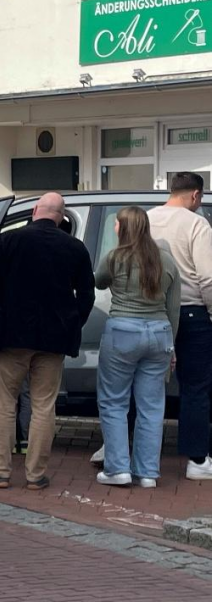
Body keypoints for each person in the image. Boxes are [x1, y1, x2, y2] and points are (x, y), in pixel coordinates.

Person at [0, 192, 95, 491]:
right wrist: (71, 323)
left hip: (11, 336)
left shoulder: (8, 241)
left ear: (36, 210)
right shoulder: (75, 247)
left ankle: (0, 471)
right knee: (44, 405)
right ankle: (36, 475)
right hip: (54, 339)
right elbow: (87, 296)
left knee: (3, 404)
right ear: (62, 216)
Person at [94, 206, 181, 488]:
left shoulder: (115, 257)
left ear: (124, 228)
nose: (115, 229)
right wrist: (172, 347)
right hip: (159, 334)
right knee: (152, 407)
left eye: (117, 225)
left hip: (123, 331)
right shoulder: (166, 260)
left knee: (114, 401)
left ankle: (118, 468)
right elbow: (174, 308)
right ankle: (147, 474)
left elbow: (97, 281)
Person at [146, 172, 212, 481]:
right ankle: (197, 461)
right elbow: (208, 277)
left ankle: (124, 452)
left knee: (142, 385)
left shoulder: (146, 219)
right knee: (195, 388)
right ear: (196, 195)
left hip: (151, 312)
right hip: (191, 313)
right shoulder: (196, 224)